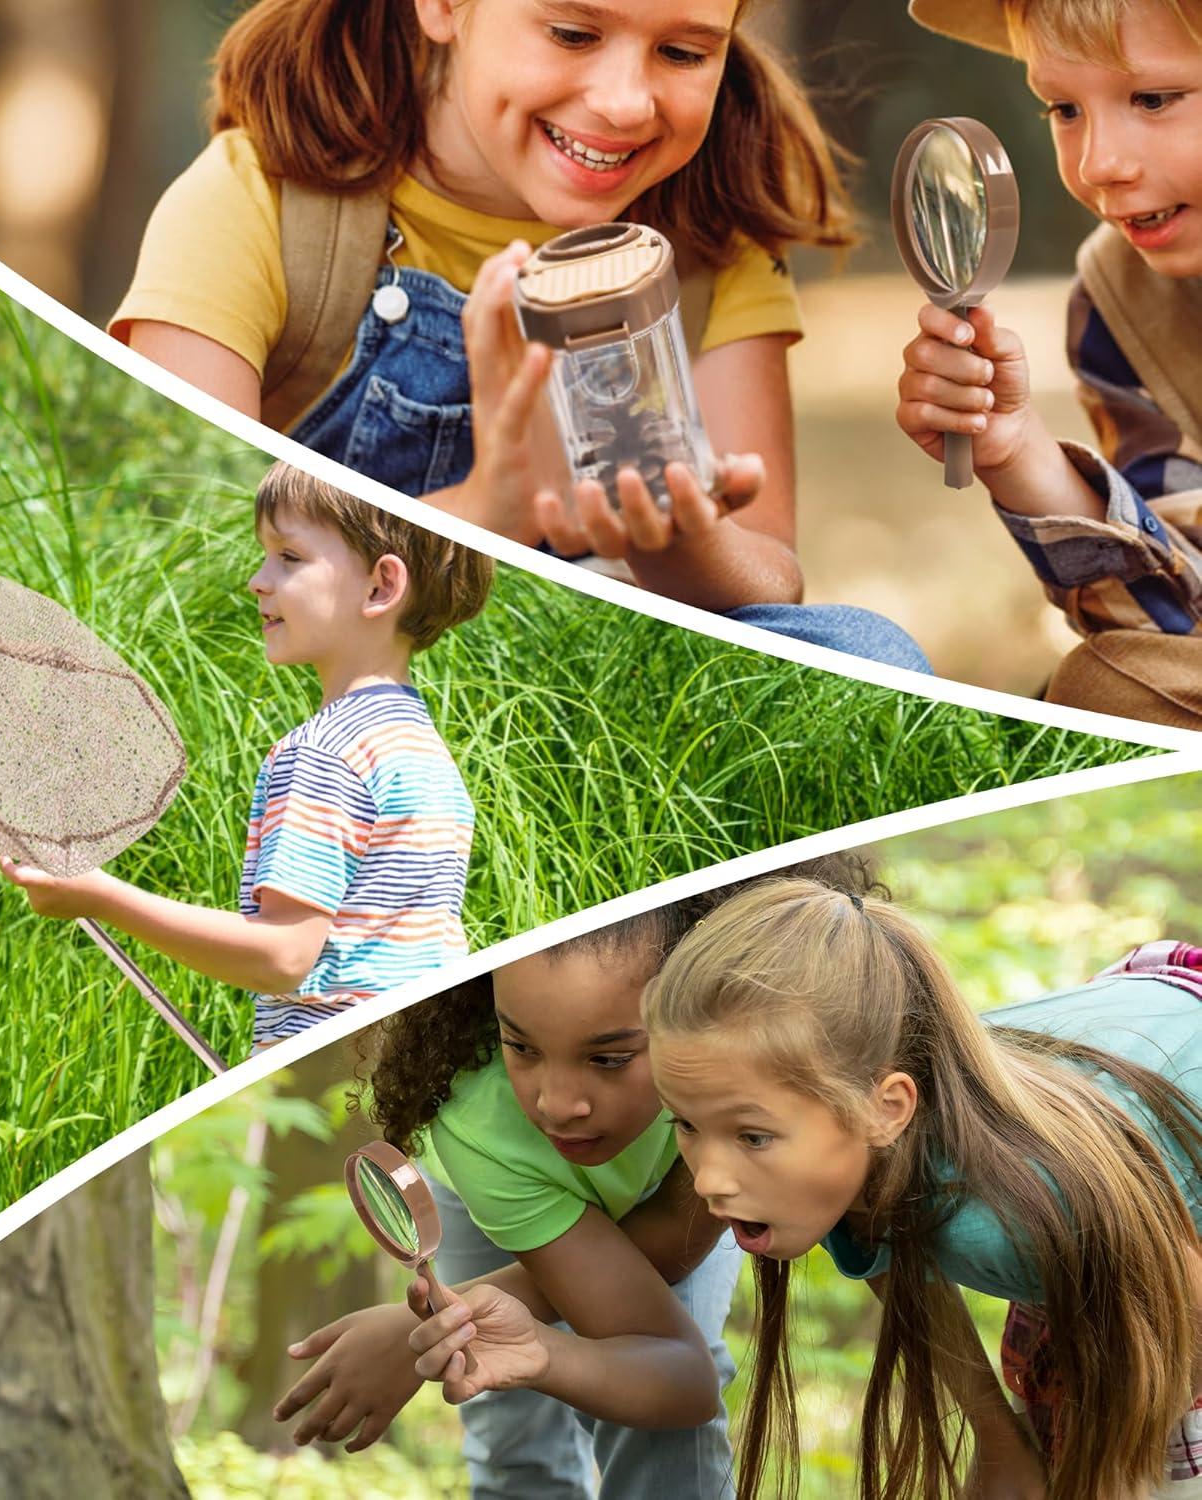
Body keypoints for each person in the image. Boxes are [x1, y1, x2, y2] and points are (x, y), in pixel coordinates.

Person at [108, 0, 931, 671]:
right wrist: (484, 513)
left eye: (683, 53)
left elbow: (770, 577)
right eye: (573, 34)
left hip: (585, 667)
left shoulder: (709, 238)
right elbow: (190, 570)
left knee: (870, 651)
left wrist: (682, 537)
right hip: (336, 663)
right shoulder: (255, 202)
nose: (624, 101)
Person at [277, 857, 879, 1500]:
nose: (559, 1105)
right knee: (507, 1419)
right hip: (500, 1191)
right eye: (522, 1046)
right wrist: (470, 1327)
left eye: (611, 1058)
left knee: (660, 1416)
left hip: (666, 1195)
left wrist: (415, 1332)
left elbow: (668, 1279)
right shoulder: (475, 1117)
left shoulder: (726, 1079)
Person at [627, 878, 1202, 1500]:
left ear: (887, 1108)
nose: (708, 1180)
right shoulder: (838, 1159)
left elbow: (1183, 1305)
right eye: (685, 1124)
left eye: (753, 1137)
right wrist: (1000, 1442)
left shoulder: (1016, 1221)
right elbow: (910, 1275)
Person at [0, 460, 491, 1051]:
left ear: (381, 586)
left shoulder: (325, 753)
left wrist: (101, 896)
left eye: (289, 557)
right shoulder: (421, 747)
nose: (258, 580)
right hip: (418, 1080)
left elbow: (283, 956)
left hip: (330, 1095)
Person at [897, 0, 1202, 726]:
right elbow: (1172, 622)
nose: (1100, 163)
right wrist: (1020, 454)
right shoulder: (1118, 301)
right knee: (1102, 690)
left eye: (1154, 98)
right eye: (1064, 109)